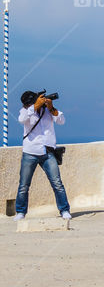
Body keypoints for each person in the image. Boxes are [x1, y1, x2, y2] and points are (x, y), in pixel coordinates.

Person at [14, 90, 71, 220]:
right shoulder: (26, 111)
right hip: (30, 152)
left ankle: (64, 210)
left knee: (57, 183)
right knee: (24, 185)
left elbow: (61, 120)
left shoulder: (47, 110)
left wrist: (51, 108)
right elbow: (21, 120)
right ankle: (21, 212)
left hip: (48, 151)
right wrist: (34, 107)